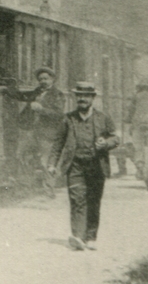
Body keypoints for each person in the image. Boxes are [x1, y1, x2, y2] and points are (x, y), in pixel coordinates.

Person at [48, 81, 120, 251]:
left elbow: (115, 138)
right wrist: (52, 164)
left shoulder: (103, 118)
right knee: (77, 199)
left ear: (93, 98)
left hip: (97, 166)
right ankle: (78, 237)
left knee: (93, 201)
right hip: (75, 166)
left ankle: (91, 236)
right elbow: (58, 143)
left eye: (86, 96)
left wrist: (106, 143)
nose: (82, 99)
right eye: (79, 95)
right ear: (76, 98)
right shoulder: (68, 119)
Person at [13, 67, 65, 187]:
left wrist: (42, 110)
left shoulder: (58, 94)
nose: (43, 81)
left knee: (46, 159)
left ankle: (49, 186)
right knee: (25, 154)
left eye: (45, 79)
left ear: (52, 79)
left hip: (47, 131)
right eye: (40, 79)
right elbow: (24, 100)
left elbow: (59, 114)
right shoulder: (36, 92)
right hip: (32, 130)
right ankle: (29, 183)